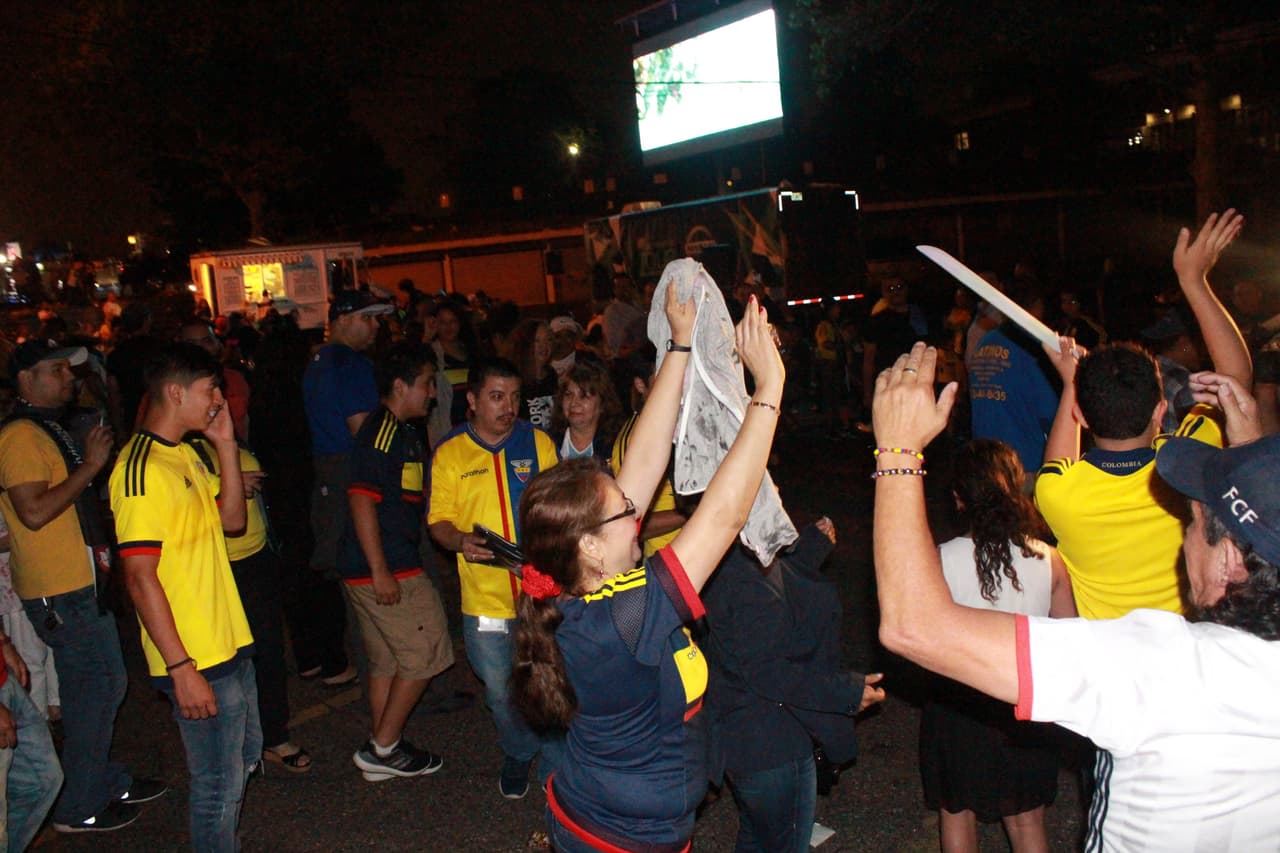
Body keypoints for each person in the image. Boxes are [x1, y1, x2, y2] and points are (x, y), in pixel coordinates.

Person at [872, 338, 1280, 851]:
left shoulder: (1152, 669)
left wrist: (897, 453)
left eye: (1196, 523)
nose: (1183, 532)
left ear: (1229, 563)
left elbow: (915, 625)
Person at [512, 291, 785, 852]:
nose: (636, 511)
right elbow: (724, 514)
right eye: (624, 509)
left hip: (599, 819)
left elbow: (645, 457)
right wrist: (769, 389)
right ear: (589, 543)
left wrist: (680, 346)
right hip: (623, 841)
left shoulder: (574, 585)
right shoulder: (623, 619)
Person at [1036, 210, 1249, 619]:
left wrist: (1069, 384)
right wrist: (1194, 282)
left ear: (1080, 414)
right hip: (1188, 651)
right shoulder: (1191, 461)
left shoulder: (1058, 495)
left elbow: (1059, 461)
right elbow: (1236, 380)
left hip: (1112, 670)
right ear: (1161, 409)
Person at [0, 340, 164, 834]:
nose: (70, 378)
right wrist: (91, 466)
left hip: (80, 581)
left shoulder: (48, 430)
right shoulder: (20, 436)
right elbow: (32, 512)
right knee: (94, 689)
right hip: (59, 588)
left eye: (69, 370)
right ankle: (77, 804)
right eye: (56, 370)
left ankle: (99, 779)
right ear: (25, 379)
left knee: (102, 686)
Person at [111, 343, 258, 852]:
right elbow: (138, 577)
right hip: (195, 653)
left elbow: (233, 522)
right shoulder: (140, 471)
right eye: (209, 389)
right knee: (218, 784)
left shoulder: (183, 452)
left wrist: (225, 446)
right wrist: (180, 667)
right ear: (174, 393)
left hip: (228, 639)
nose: (219, 398)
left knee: (245, 758)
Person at [921, 439, 1077, 853]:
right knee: (1027, 822)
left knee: (956, 813)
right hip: (1024, 704)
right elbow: (1068, 638)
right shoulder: (1048, 559)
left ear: (958, 499)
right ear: (1016, 490)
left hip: (958, 706)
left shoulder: (938, 559)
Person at [702, 517, 885, 853]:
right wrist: (847, 691)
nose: (778, 491)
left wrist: (809, 549)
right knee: (784, 843)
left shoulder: (729, 554)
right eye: (767, 486)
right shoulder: (742, 576)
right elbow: (772, 672)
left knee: (759, 838)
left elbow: (773, 586)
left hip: (745, 735)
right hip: (768, 747)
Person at [427, 358, 559, 799]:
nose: (508, 407)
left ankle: (559, 763)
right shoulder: (449, 453)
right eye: (497, 397)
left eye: (515, 397)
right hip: (484, 601)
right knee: (501, 692)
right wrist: (459, 540)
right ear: (472, 399)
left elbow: (557, 506)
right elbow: (438, 522)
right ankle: (520, 752)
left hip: (540, 594)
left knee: (553, 681)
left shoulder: (537, 442)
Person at [340, 343, 454, 781]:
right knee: (427, 652)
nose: (432, 393)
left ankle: (382, 746)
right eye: (426, 383)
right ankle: (383, 748)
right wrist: (380, 570)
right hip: (387, 564)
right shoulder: (382, 431)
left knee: (388, 660)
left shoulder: (402, 430)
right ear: (401, 385)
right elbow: (361, 500)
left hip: (382, 561)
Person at [185, 434, 311, 775]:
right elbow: (181, 504)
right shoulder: (180, 449)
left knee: (268, 653)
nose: (215, 402)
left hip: (257, 559)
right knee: (231, 664)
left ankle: (272, 736)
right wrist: (230, 484)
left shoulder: (226, 438)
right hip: (220, 566)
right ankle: (238, 750)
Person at [301, 290, 394, 687]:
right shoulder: (350, 363)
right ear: (341, 318)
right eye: (368, 318)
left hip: (326, 475)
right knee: (368, 570)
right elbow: (364, 432)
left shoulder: (317, 361)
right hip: (350, 474)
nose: (375, 327)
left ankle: (371, 669)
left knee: (349, 578)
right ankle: (387, 673)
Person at [967, 280, 1059, 475]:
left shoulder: (985, 342)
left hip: (987, 462)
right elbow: (1051, 412)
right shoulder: (1034, 348)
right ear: (1036, 307)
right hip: (1024, 463)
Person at [550, 360, 622, 462]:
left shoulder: (617, 445)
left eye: (583, 396)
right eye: (568, 394)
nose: (574, 403)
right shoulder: (548, 442)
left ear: (602, 404)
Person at [509, 319, 557, 432]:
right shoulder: (515, 378)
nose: (544, 346)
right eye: (537, 341)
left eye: (548, 340)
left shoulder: (551, 375)